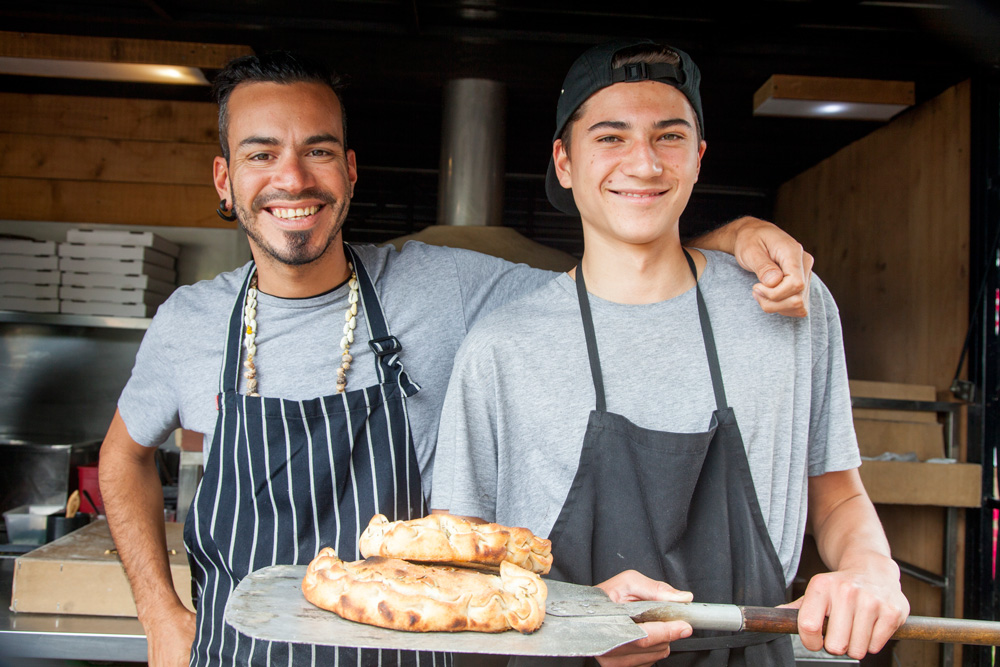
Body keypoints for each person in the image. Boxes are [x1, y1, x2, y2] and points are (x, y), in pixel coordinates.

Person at [98, 50, 817, 667]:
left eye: (317, 150)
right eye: (261, 153)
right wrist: (160, 614)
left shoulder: (446, 286)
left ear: (348, 171)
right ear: (226, 180)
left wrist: (733, 237)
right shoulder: (189, 322)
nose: (293, 178)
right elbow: (120, 457)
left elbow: (621, 268)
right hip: (238, 652)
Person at [430, 39, 909, 667]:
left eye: (669, 136)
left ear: (699, 156)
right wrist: (578, 621)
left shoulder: (788, 305)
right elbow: (451, 567)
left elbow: (838, 496)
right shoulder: (501, 348)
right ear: (564, 161)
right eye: (610, 137)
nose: (645, 164)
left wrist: (873, 568)